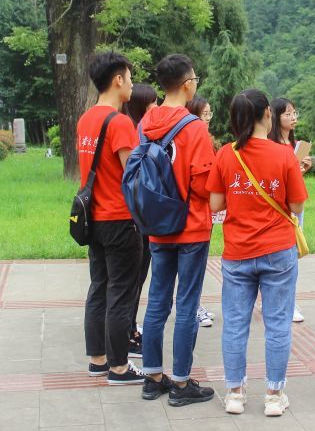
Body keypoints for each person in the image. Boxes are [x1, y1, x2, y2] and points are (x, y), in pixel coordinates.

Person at [207, 88, 308, 417]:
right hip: (278, 250)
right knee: (278, 323)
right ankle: (274, 396)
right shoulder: (283, 155)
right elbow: (295, 204)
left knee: (235, 324)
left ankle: (235, 393)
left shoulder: (225, 154)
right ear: (267, 114)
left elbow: (215, 204)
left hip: (237, 251)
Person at [139, 54, 216, 407]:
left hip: (157, 225)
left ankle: (153, 377)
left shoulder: (146, 122)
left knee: (157, 301)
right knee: (186, 303)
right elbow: (202, 186)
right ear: (187, 84)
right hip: (190, 227)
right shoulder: (195, 128)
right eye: (195, 78)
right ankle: (182, 384)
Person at [77, 51, 145, 384]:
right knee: (122, 292)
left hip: (94, 220)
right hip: (120, 219)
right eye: (130, 78)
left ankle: (97, 359)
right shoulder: (120, 123)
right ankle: (119, 367)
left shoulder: (85, 119)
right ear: (118, 80)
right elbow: (133, 177)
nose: (131, 84)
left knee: (99, 288)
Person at [122, 82, 158, 357]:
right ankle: (129, 334)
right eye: (153, 103)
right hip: (137, 216)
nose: (157, 108)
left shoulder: (132, 127)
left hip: (129, 215)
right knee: (134, 278)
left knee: (129, 279)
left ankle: (128, 329)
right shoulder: (139, 132)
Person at [268, 97, 312, 323]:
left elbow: (289, 179)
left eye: (295, 113)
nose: (293, 118)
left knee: (292, 255)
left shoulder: (292, 146)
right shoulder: (273, 145)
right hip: (282, 208)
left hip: (296, 204)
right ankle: (286, 304)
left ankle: (284, 301)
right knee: (287, 257)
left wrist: (301, 169)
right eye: (288, 114)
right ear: (275, 117)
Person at [185, 96, 217, 328]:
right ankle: (193, 307)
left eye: (209, 114)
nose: (207, 119)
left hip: (204, 212)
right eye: (203, 114)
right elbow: (201, 183)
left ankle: (195, 304)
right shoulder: (195, 139)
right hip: (193, 215)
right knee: (191, 269)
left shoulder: (208, 139)